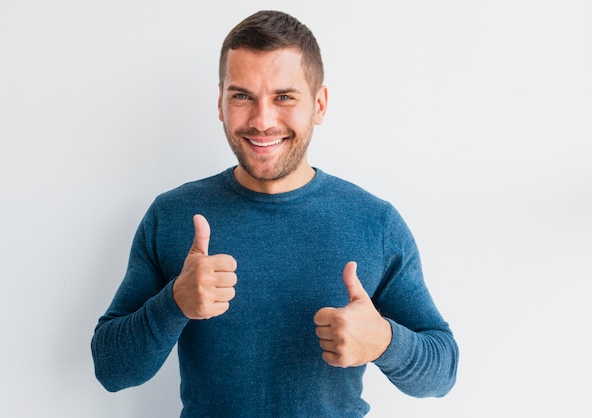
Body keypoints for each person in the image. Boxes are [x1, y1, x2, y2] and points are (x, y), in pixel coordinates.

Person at [91, 10, 458, 417]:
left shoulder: (376, 223)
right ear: (220, 103)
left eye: (284, 97)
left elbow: (443, 371)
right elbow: (111, 370)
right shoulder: (172, 215)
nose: (263, 120)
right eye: (242, 96)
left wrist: (387, 342)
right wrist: (173, 302)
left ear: (319, 104)